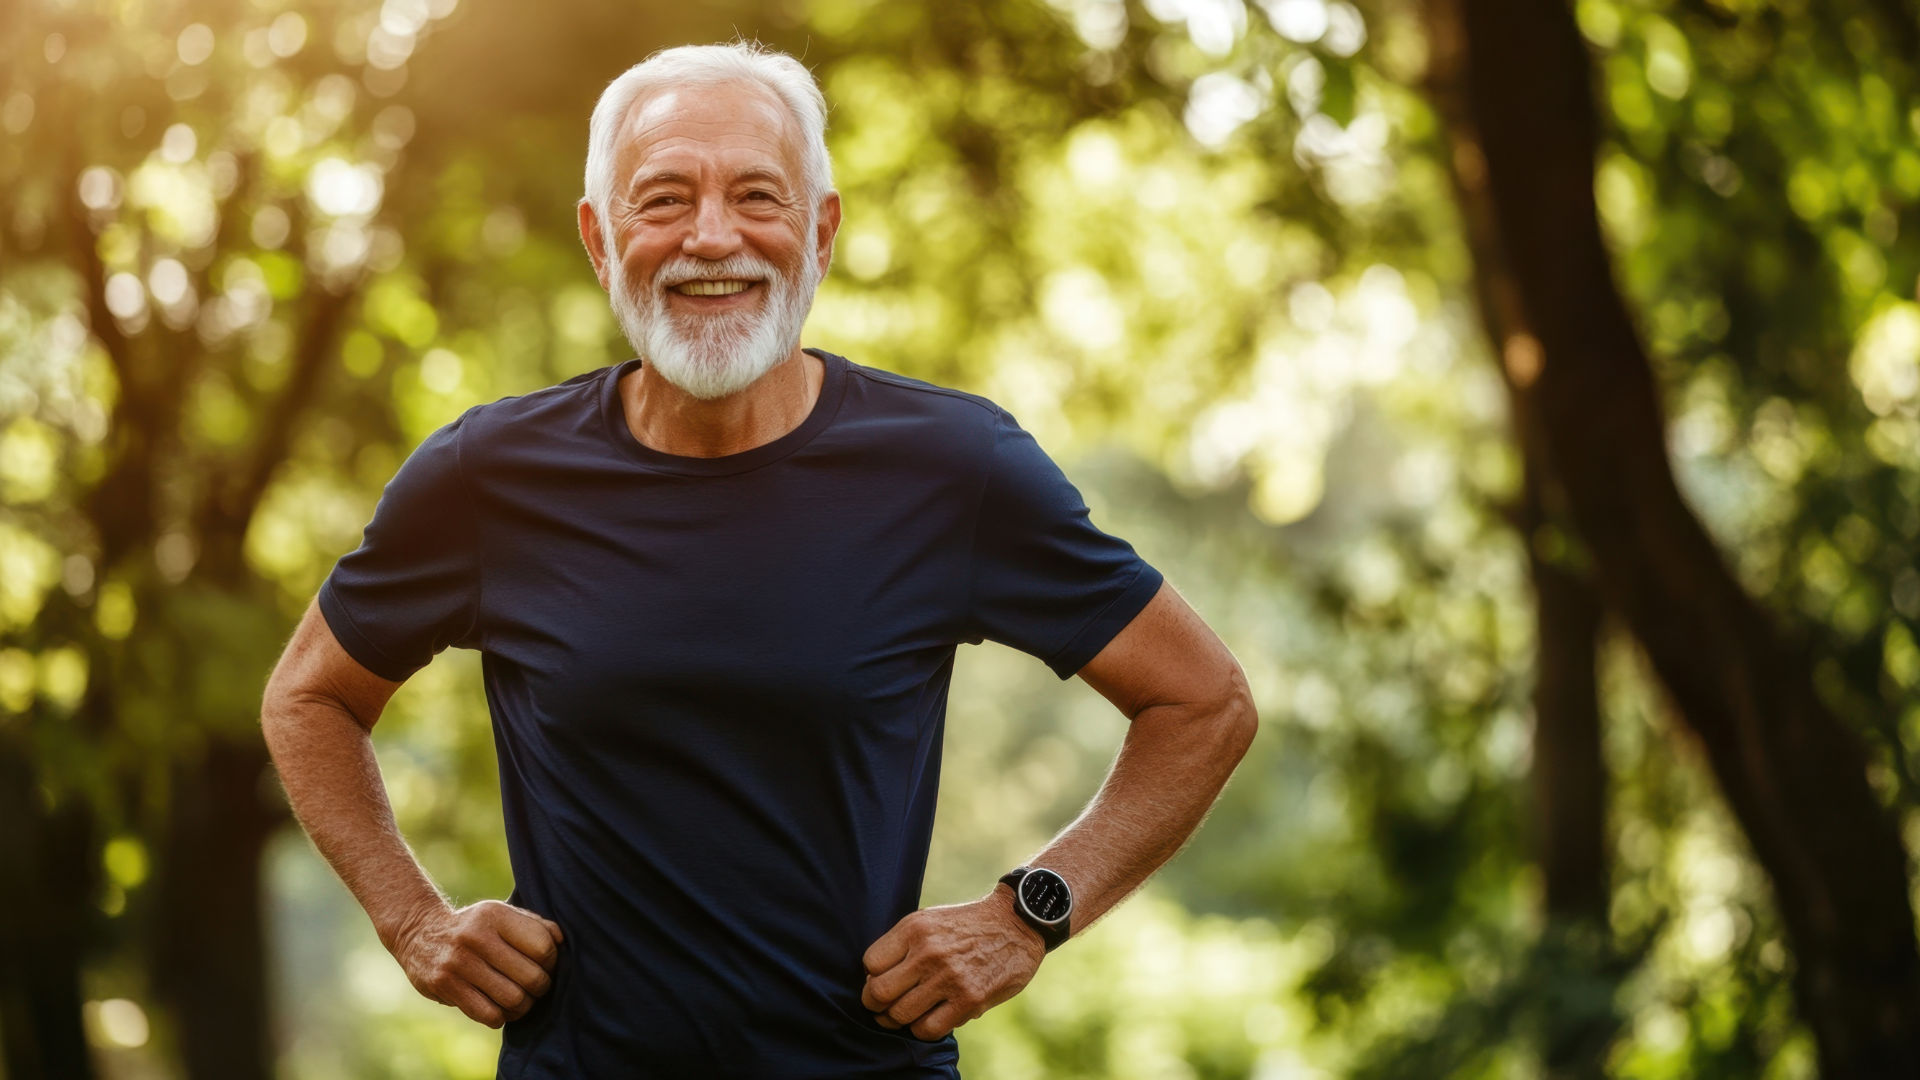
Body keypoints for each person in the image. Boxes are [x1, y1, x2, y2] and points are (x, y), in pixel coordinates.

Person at [260, 41, 1256, 1079]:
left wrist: (1028, 914)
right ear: (600, 240)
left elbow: (1203, 701)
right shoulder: (488, 475)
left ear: (820, 232)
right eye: (663, 199)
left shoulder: (953, 468)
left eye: (756, 195)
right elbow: (309, 698)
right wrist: (414, 924)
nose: (712, 237)